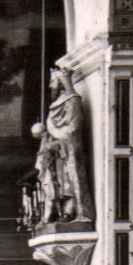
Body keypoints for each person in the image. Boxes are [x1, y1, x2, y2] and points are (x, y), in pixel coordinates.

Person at [33, 65, 91, 225]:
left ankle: (70, 210)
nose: (51, 85)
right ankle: (61, 212)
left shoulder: (72, 101)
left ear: (61, 82)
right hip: (56, 153)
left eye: (53, 81)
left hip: (66, 152)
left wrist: (52, 130)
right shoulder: (56, 104)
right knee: (55, 184)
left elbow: (73, 129)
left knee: (68, 182)